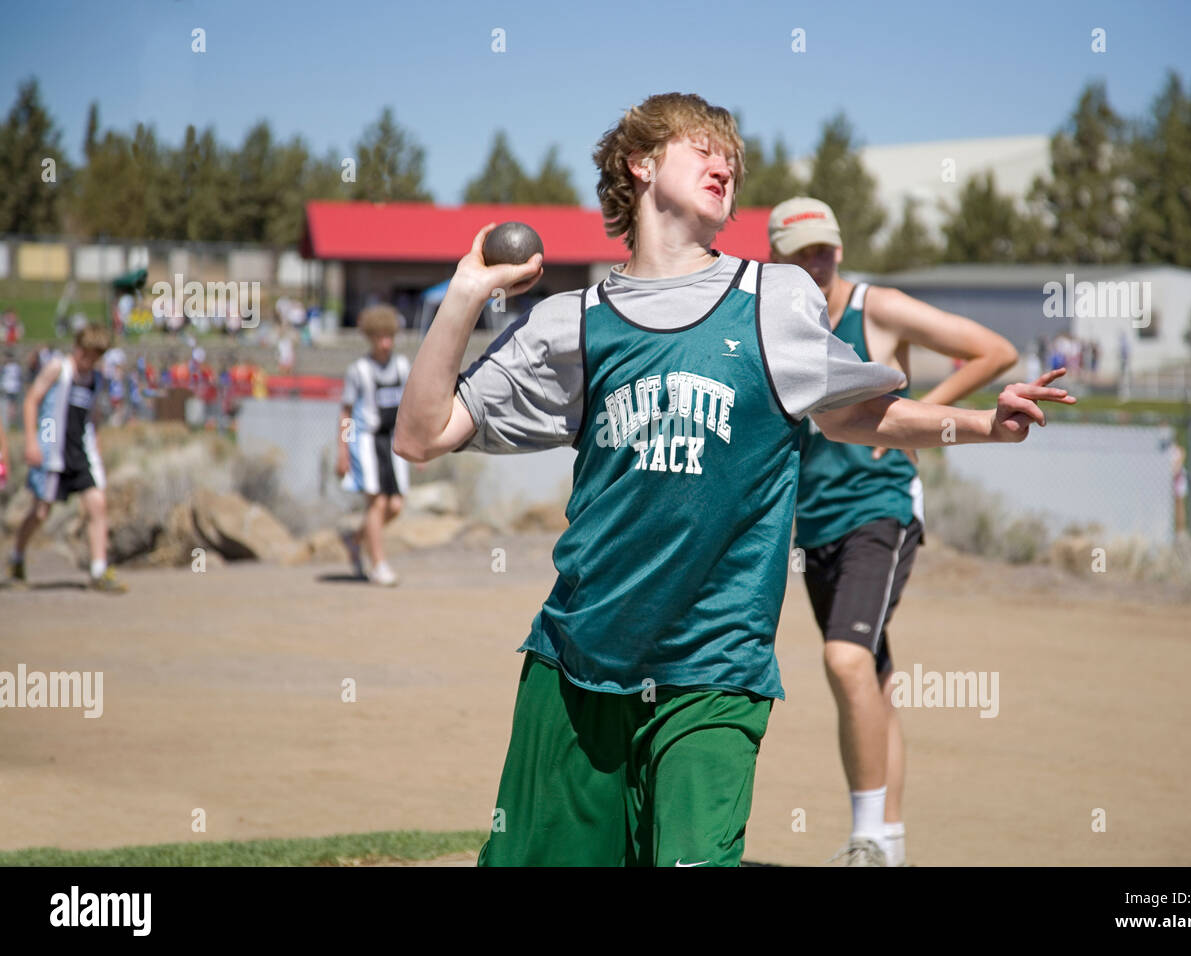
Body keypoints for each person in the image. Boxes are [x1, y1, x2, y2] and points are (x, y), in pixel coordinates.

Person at [393, 92, 1073, 867]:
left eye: (734, 160)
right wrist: (466, 295)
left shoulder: (773, 299)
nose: (725, 166)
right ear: (640, 165)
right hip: (578, 662)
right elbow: (420, 436)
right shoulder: (571, 322)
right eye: (701, 149)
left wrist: (987, 422)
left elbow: (856, 415)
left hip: (713, 666)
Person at [767, 197, 1019, 866]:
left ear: (839, 248)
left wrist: (910, 417)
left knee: (844, 659)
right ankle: (892, 845)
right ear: (777, 259)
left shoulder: (875, 308)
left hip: (878, 508)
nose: (813, 262)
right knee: (869, 673)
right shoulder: (777, 320)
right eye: (798, 253)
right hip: (812, 521)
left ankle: (868, 839)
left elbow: (993, 351)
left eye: (822, 248)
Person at [9, 324, 126, 593]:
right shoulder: (58, 369)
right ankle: (16, 556)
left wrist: (95, 445)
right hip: (51, 450)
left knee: (98, 504)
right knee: (40, 512)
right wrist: (31, 441)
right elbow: (31, 400)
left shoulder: (95, 379)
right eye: (89, 355)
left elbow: (91, 416)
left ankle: (99, 570)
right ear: (79, 349)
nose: (91, 361)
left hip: (79, 453)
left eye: (97, 357)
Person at [337, 304, 410, 586]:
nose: (385, 342)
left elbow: (411, 406)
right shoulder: (359, 370)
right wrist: (343, 450)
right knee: (377, 503)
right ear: (370, 337)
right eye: (379, 336)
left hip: (393, 441)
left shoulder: (402, 366)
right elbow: (345, 413)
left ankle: (355, 540)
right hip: (366, 440)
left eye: (389, 336)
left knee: (395, 505)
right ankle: (379, 564)